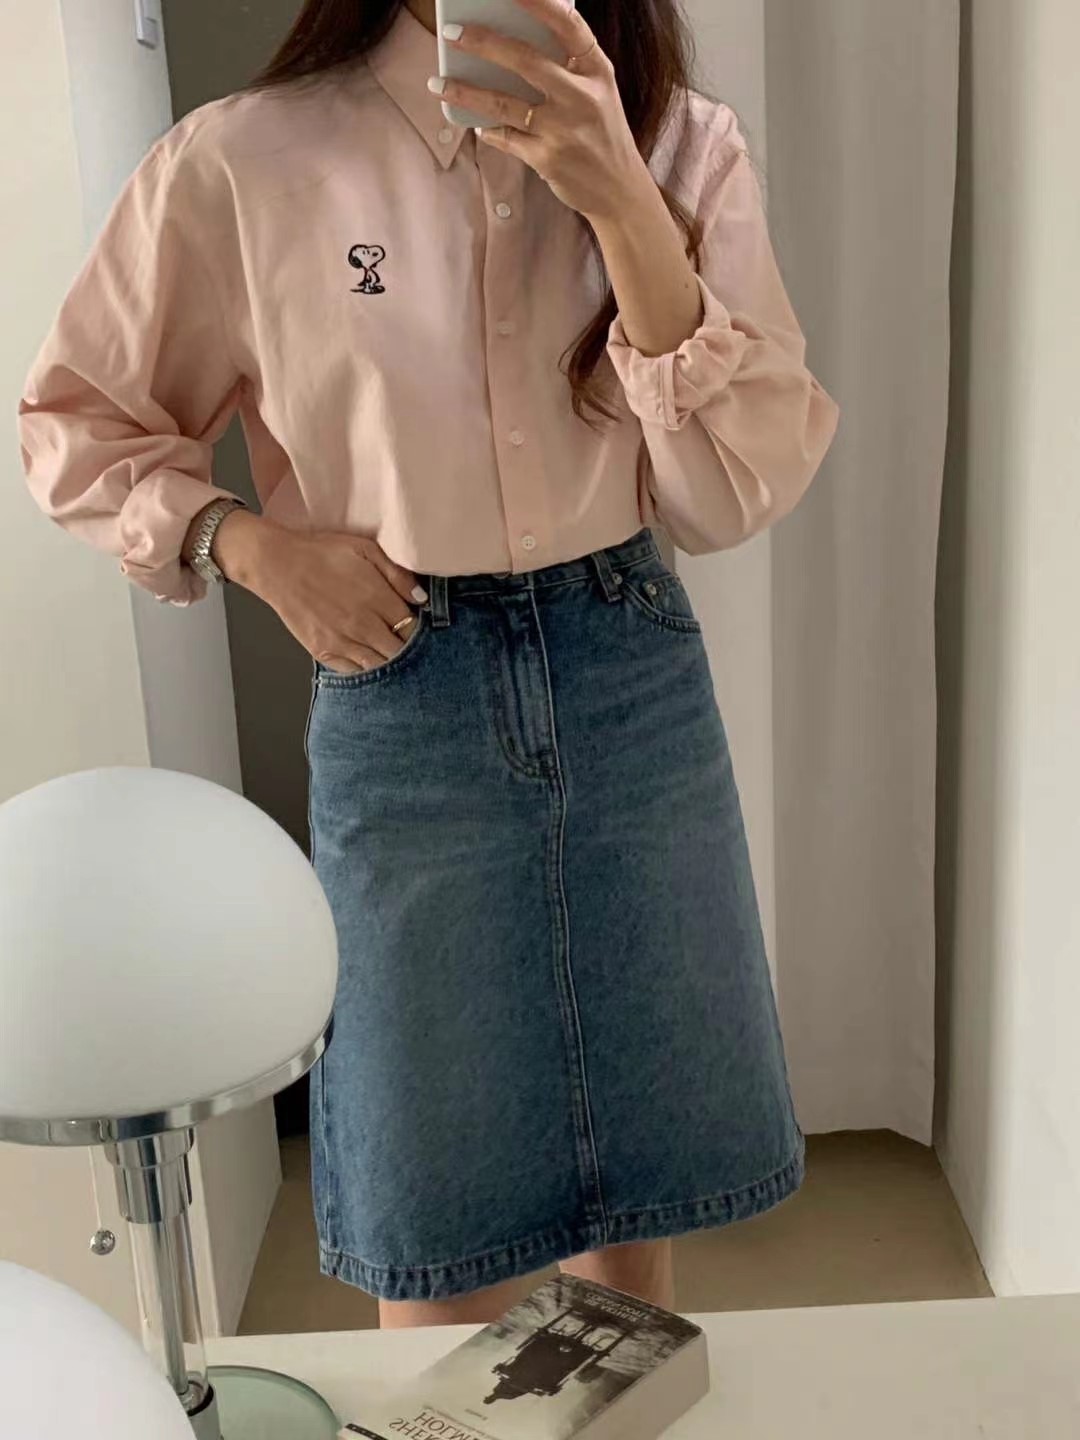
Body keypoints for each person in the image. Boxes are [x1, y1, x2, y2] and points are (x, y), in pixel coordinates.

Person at [18, 0, 839, 1329]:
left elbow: (732, 490)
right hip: (405, 682)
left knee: (634, 1177)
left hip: (626, 671)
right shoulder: (249, 157)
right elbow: (75, 421)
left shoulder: (679, 143)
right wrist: (248, 544)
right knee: (438, 1193)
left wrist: (623, 202)